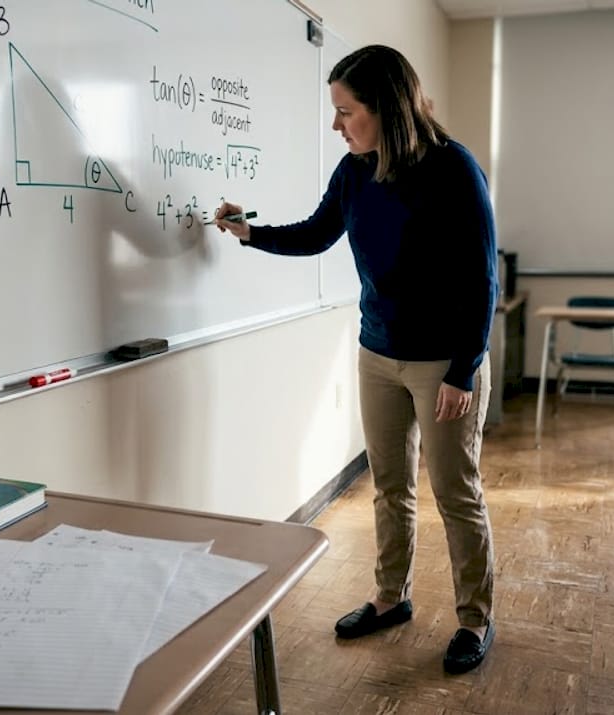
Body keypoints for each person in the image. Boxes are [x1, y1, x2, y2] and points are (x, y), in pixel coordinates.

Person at [212, 44, 499, 674]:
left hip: (442, 363)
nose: (337, 125)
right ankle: (390, 597)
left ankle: (474, 617)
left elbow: (483, 280)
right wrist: (251, 233)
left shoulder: (454, 170)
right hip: (378, 353)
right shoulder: (352, 173)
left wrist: (464, 368)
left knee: (455, 492)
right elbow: (317, 235)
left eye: (346, 112)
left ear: (386, 109)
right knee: (389, 486)